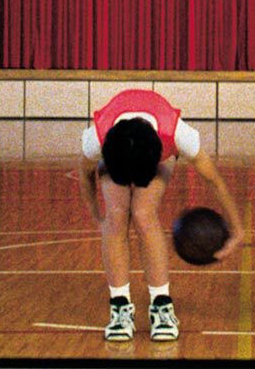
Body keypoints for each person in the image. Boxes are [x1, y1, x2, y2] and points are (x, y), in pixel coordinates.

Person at [78, 89, 244, 342]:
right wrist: (95, 216)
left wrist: (237, 228)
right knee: (116, 213)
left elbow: (215, 181)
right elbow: (84, 174)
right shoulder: (96, 139)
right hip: (120, 148)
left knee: (143, 213)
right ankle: (120, 307)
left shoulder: (178, 134)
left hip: (153, 146)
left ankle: (161, 305)